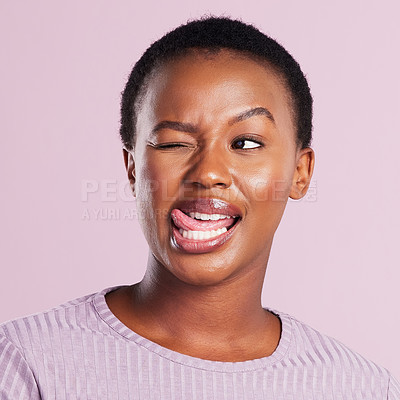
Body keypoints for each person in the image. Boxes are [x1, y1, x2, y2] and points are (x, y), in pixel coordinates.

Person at [0, 16, 398, 400]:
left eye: (246, 143)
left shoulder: (360, 387)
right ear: (133, 168)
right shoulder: (28, 363)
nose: (208, 174)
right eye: (174, 143)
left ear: (300, 171)